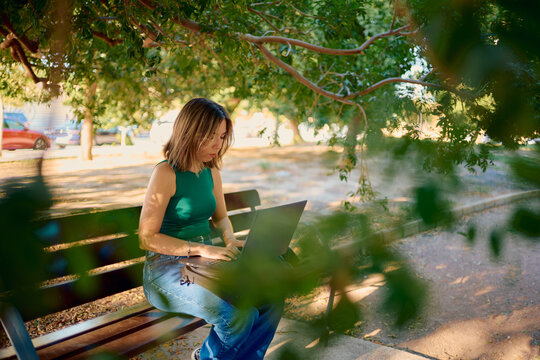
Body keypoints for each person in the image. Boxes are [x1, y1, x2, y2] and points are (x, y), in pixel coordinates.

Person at [138, 98, 283, 360]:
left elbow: (221, 217)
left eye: (222, 136)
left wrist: (229, 240)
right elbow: (147, 238)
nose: (218, 144)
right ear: (191, 132)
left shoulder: (211, 171)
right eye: (211, 137)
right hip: (166, 272)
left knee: (270, 299)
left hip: (204, 265)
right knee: (238, 316)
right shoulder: (165, 173)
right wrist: (203, 249)